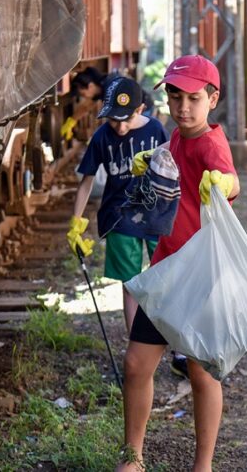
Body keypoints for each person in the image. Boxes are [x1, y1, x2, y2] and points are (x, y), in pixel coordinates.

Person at [117, 54, 240, 472]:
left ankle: (202, 466)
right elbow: (176, 171)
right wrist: (152, 162)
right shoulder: (177, 137)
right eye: (174, 96)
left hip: (200, 274)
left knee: (202, 373)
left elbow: (229, 176)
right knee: (136, 365)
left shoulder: (209, 141)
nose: (182, 107)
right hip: (167, 268)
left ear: (212, 98)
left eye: (192, 98)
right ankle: (133, 457)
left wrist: (224, 183)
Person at [66, 77, 168, 333]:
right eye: (113, 120)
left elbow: (174, 170)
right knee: (130, 284)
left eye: (126, 120)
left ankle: (172, 339)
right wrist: (76, 223)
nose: (120, 128)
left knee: (167, 277)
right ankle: (136, 340)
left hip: (158, 213)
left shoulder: (155, 130)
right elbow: (86, 182)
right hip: (120, 216)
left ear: (140, 110)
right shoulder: (101, 137)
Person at [60, 67, 110, 141]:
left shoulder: (110, 89)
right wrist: (70, 122)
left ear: (90, 86)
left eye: (83, 94)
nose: (84, 97)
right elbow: (86, 107)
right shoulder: (102, 89)